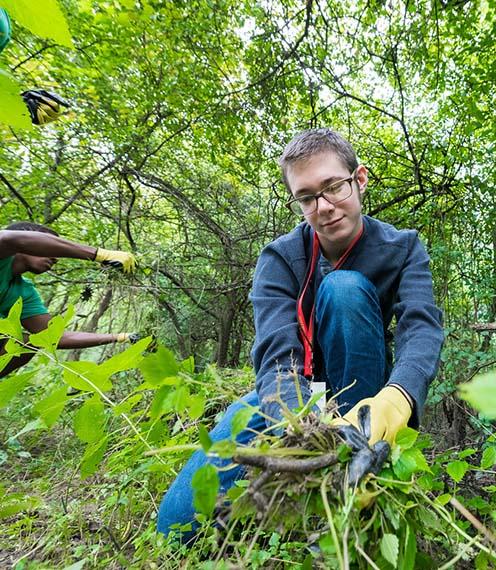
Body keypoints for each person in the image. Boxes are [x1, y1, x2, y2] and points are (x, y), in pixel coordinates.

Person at [157, 128, 444, 537]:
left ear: (360, 179)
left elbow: (421, 325)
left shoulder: (403, 247)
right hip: (297, 396)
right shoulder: (279, 257)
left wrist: (398, 397)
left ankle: (357, 469)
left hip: (369, 391)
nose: (323, 207)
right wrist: (305, 430)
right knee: (175, 525)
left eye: (334, 187)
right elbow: (276, 358)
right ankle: (315, 472)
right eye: (307, 198)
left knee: (344, 289)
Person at [0, 222, 138, 377]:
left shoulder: (23, 292)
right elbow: (7, 239)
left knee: (26, 343)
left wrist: (121, 337)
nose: (55, 258)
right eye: (49, 248)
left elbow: (54, 336)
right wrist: (100, 254)